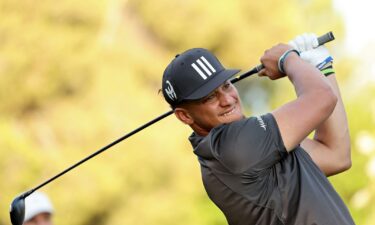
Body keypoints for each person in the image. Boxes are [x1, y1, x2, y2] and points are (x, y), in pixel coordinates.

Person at [161, 33, 354, 225]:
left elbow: (335, 156)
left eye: (226, 85)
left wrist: (322, 69)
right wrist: (288, 59)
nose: (227, 100)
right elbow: (321, 97)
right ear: (184, 115)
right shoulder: (232, 147)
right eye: (209, 97)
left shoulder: (247, 146)